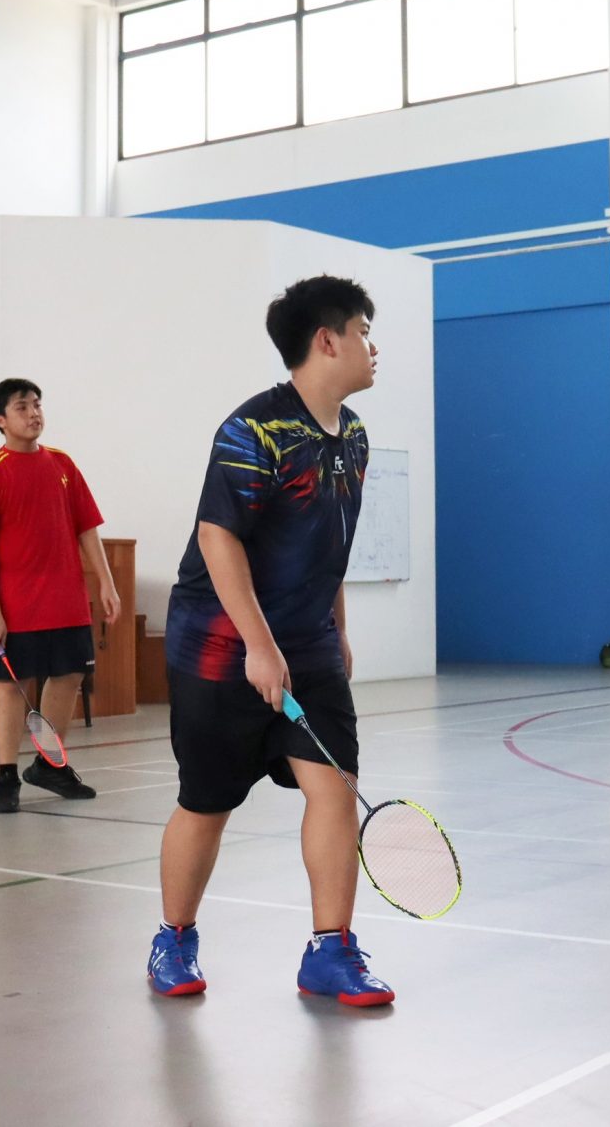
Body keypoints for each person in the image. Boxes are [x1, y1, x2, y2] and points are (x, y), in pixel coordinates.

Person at [147, 276, 389, 1005]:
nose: (373, 347)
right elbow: (217, 538)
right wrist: (258, 644)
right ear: (328, 340)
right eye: (364, 331)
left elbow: (329, 542)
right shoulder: (252, 430)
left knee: (335, 788)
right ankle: (173, 939)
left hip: (306, 644)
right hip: (220, 643)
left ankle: (330, 951)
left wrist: (336, 631)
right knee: (207, 800)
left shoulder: (354, 435)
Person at [0, 379, 121, 811]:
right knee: (11, 685)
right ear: (1, 420)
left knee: (69, 676)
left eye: (37, 405)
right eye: (22, 407)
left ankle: (50, 765)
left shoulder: (63, 464)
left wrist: (106, 581)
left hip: (67, 600)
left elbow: (87, 527)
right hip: (17, 607)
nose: (34, 413)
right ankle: (6, 777)